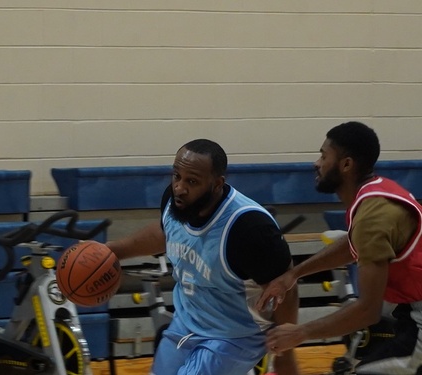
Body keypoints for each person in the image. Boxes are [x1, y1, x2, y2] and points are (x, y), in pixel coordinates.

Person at [106, 139, 300, 375]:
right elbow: (166, 231)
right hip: (187, 323)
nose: (179, 187)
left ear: (217, 184)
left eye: (192, 181)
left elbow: (287, 290)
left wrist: (286, 354)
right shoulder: (175, 201)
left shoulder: (249, 228)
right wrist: (113, 251)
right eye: (176, 176)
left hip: (236, 335)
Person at [257, 121, 422, 374]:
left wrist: (300, 332)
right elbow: (354, 244)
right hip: (408, 310)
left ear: (346, 164)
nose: (317, 163)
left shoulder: (373, 214)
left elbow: (368, 310)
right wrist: (294, 274)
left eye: (324, 156)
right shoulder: (375, 194)